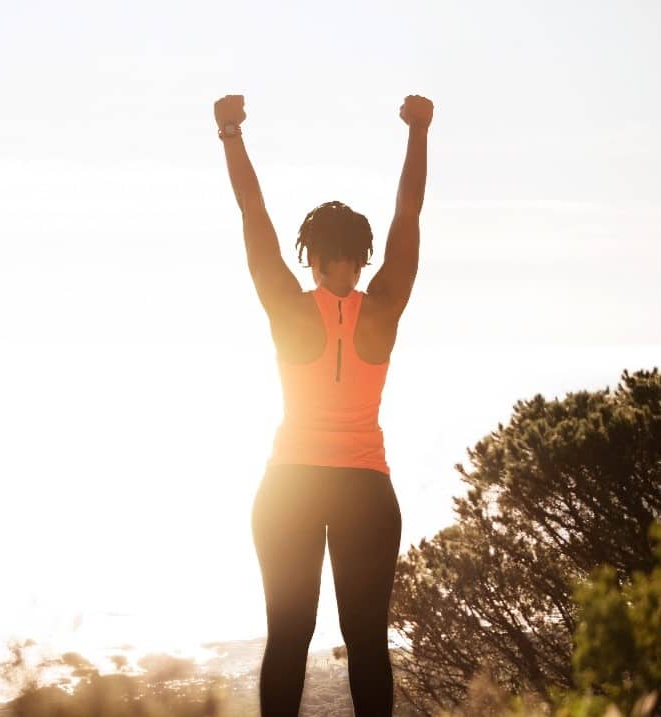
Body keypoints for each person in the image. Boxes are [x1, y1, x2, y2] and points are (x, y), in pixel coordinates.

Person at [214, 93, 433, 715]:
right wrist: (419, 130)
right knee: (367, 643)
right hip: (365, 484)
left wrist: (231, 132)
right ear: (363, 255)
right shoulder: (384, 305)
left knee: (288, 637)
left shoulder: (288, 308)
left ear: (307, 255)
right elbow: (408, 212)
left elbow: (252, 213)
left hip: (289, 486)